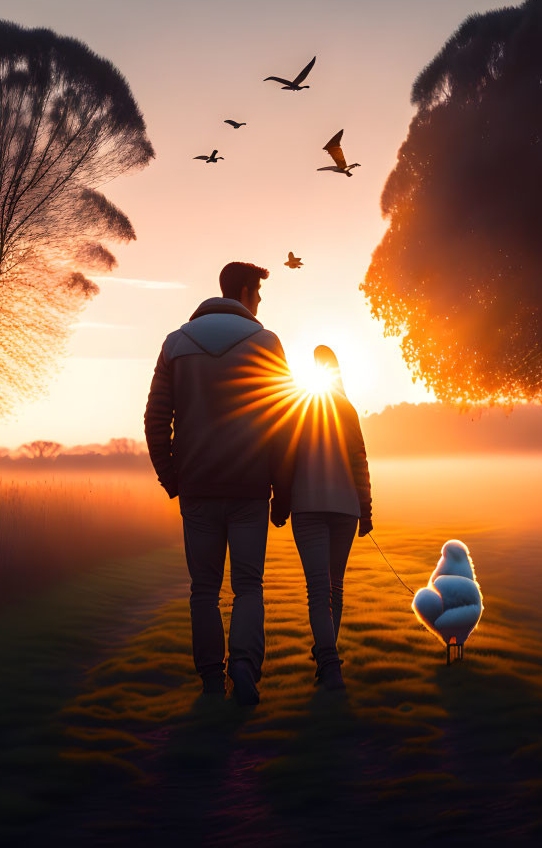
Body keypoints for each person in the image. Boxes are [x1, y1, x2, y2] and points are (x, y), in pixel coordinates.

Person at [144, 262, 292, 705]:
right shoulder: (267, 343)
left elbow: (155, 419)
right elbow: (283, 421)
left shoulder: (175, 344)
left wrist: (173, 478)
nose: (261, 303)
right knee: (249, 586)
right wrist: (281, 491)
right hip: (249, 489)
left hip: (198, 489)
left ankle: (210, 681)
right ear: (246, 292)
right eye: (259, 294)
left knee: (204, 590)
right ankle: (245, 669)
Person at [272, 345, 372, 692]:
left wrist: (280, 504)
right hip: (345, 508)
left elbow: (285, 460)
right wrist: (366, 510)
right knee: (335, 586)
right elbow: (360, 461)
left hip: (308, 506)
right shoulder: (347, 409)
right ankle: (328, 658)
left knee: (319, 589)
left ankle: (328, 663)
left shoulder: (299, 406)